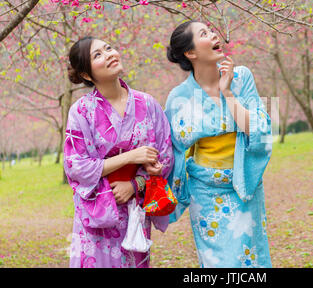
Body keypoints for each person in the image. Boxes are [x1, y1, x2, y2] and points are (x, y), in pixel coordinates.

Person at [165, 21, 272, 267]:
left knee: (250, 259)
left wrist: (228, 92)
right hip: (205, 193)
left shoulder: (241, 77)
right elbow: (173, 151)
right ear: (190, 53)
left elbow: (259, 130)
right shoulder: (178, 97)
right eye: (204, 34)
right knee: (217, 262)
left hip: (244, 185)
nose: (214, 35)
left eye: (211, 30)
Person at [63, 36, 173, 268]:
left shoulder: (147, 103)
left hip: (135, 209)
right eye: (98, 55)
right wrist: (131, 156)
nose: (109, 54)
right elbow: (75, 166)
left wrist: (136, 185)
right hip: (98, 210)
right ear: (85, 74)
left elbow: (164, 155)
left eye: (109, 48)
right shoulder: (81, 111)